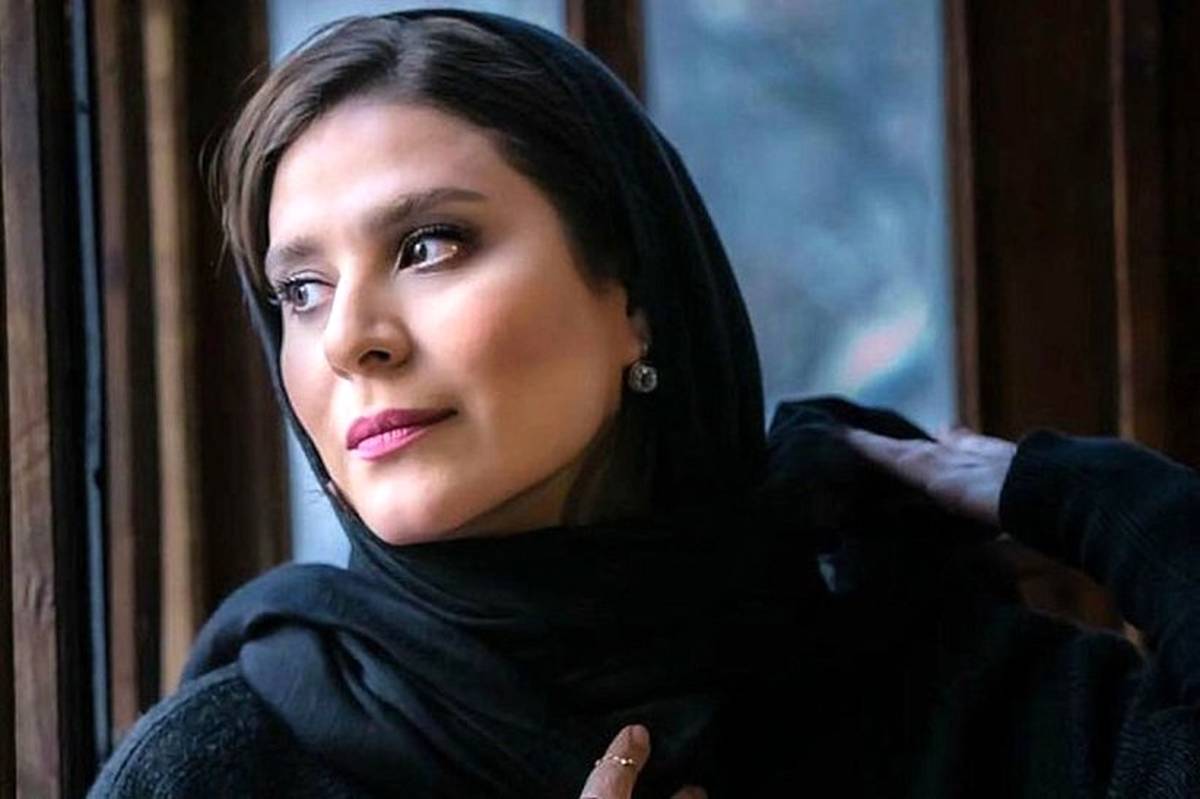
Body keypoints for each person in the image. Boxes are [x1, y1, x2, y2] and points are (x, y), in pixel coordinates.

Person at [89, 9, 1200, 798]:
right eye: (301, 289)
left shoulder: (972, 706)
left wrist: (1115, 503)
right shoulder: (230, 763)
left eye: (429, 244)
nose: (348, 339)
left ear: (632, 297)